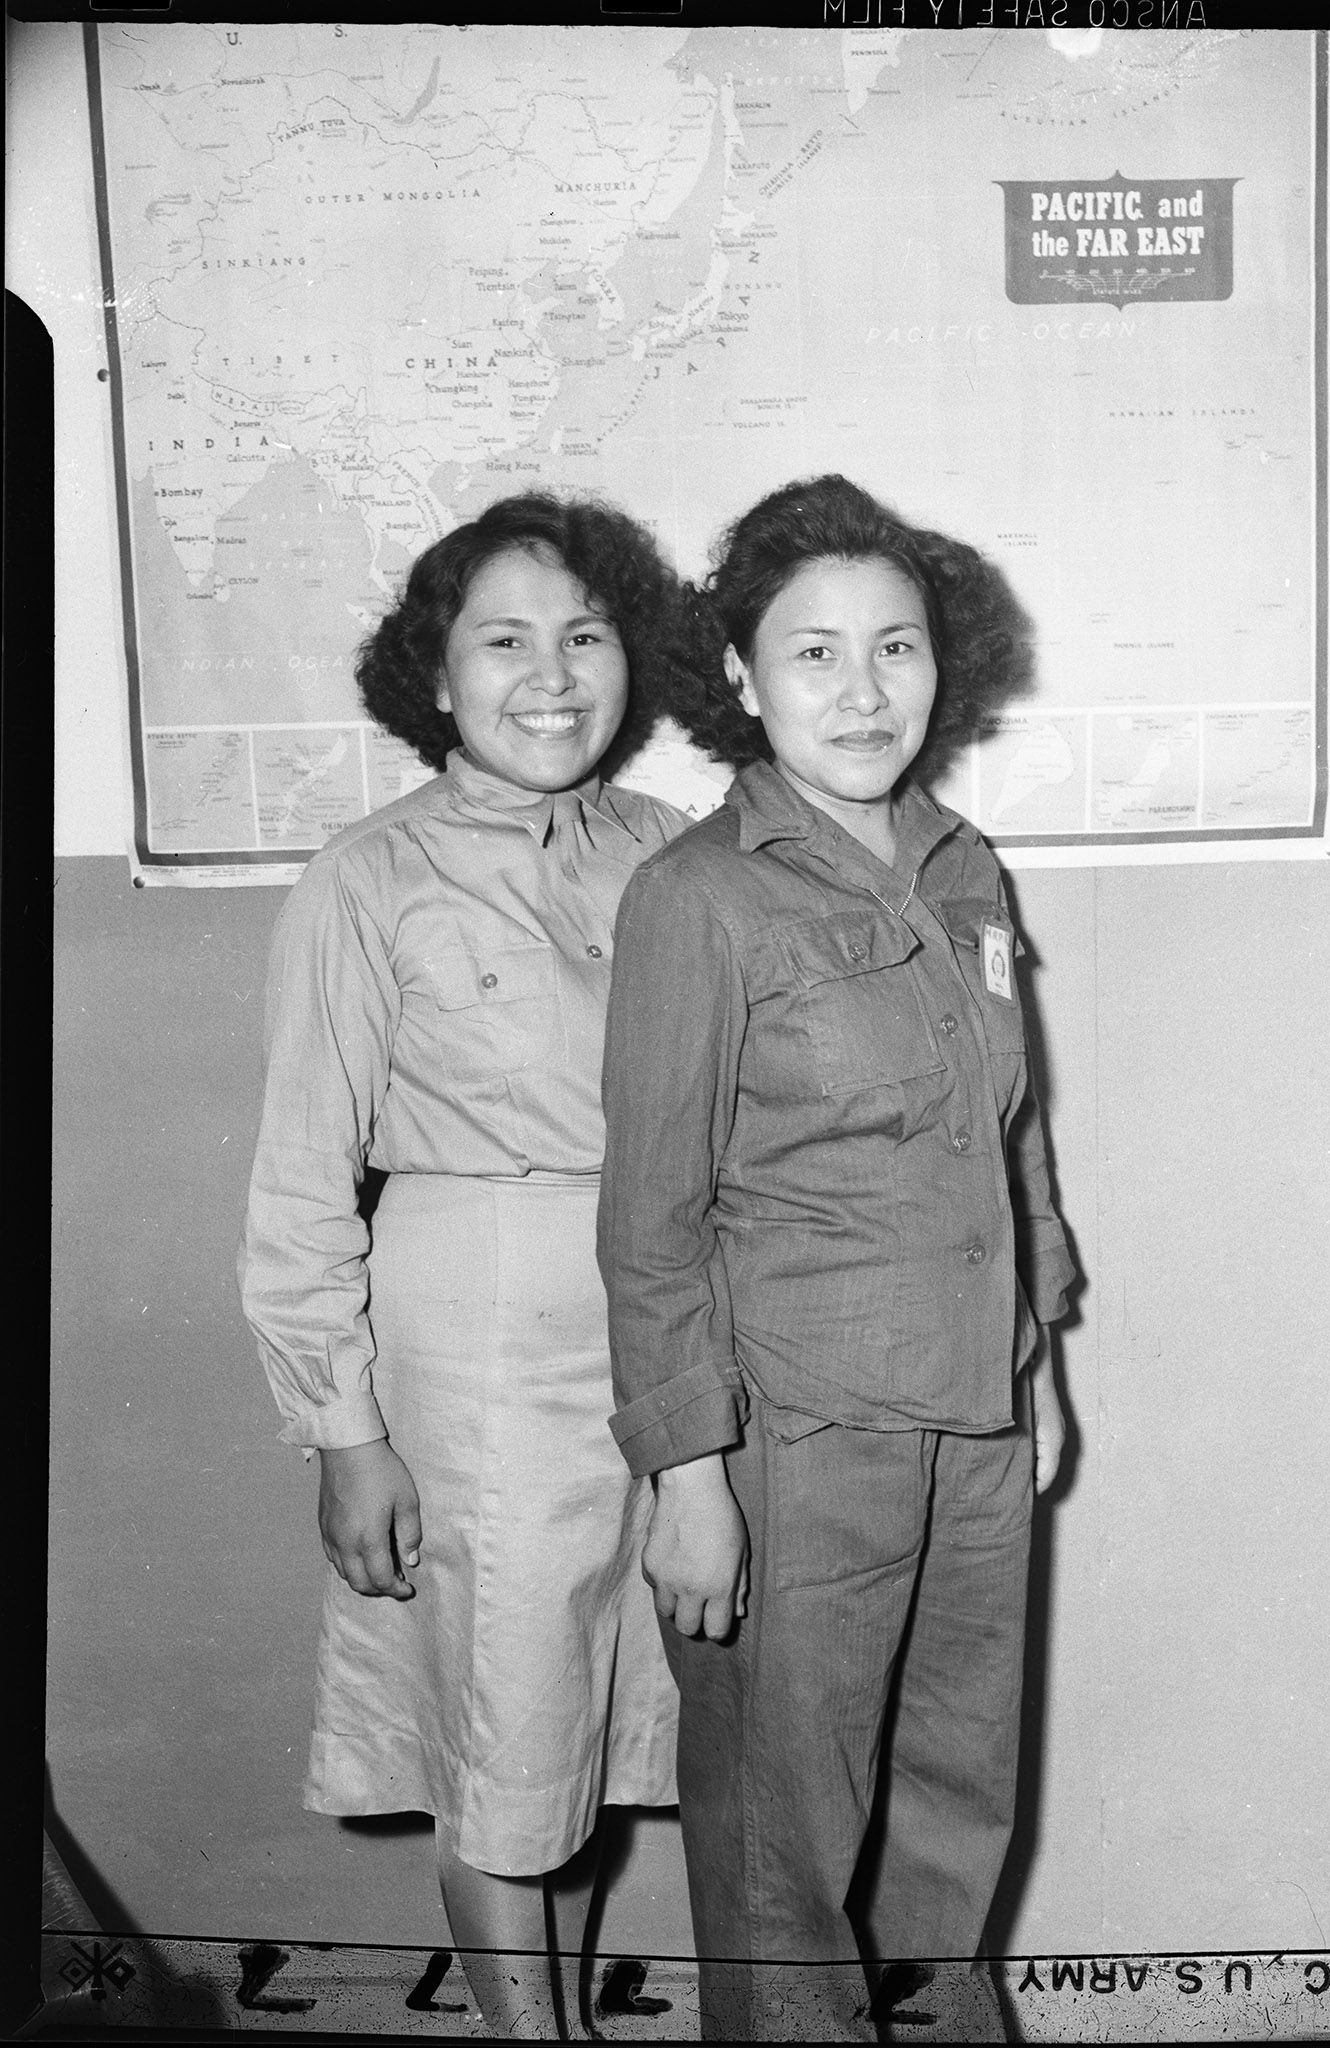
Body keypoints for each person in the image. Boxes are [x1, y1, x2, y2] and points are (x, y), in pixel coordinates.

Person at [597, 475, 1076, 2042]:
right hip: (793, 1441)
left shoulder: (965, 871)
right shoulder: (700, 897)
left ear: (947, 665)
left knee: (954, 1811)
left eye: (897, 648)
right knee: (781, 1860)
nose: (862, 692)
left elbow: (1012, 1138)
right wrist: (686, 1479)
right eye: (814, 653)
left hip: (977, 1421)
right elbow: (651, 1215)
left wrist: (1040, 1362)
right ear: (739, 679)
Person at [239, 492, 691, 2040]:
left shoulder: (674, 854)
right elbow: (301, 1178)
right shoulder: (367, 876)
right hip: (481, 1338)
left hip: (673, 1330)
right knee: (504, 1722)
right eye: (504, 639)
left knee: (593, 1716)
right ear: (434, 675)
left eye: (585, 634)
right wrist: (344, 1434)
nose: (551, 674)